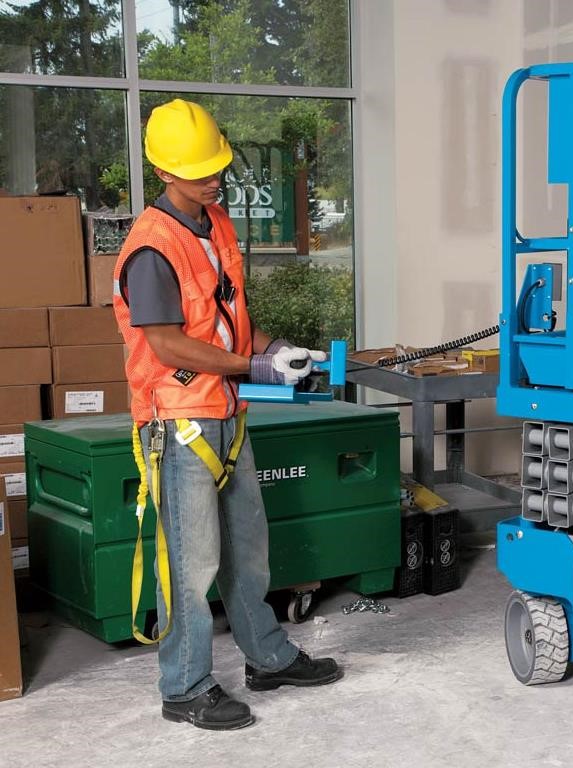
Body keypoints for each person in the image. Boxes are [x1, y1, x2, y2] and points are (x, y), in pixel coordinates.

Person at [113, 99, 340, 731]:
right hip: (178, 421)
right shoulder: (152, 249)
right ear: (164, 172)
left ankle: (267, 657)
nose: (213, 178)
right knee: (192, 566)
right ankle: (185, 687)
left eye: (216, 165)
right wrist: (254, 368)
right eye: (198, 171)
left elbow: (227, 318)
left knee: (247, 549)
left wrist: (277, 350)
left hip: (225, 412)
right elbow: (167, 344)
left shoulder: (215, 225)